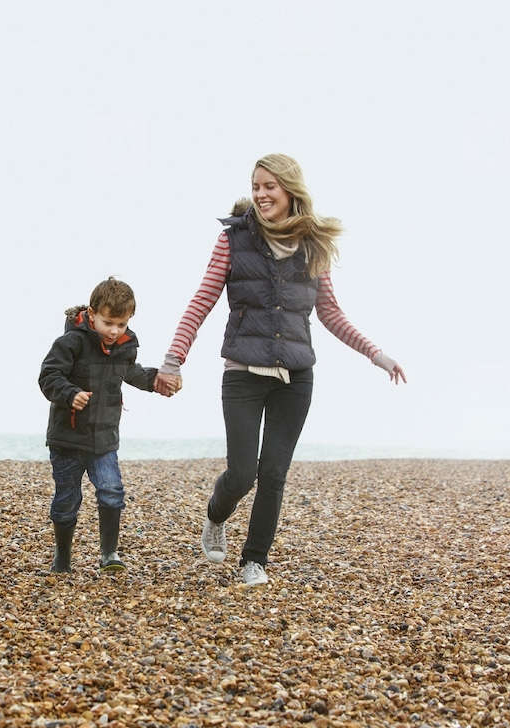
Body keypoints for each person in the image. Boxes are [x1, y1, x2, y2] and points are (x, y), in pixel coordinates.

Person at [154, 153, 406, 586]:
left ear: (290, 189)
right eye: (256, 185)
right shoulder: (233, 239)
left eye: (269, 186)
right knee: (242, 473)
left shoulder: (313, 245)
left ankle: (254, 560)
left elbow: (331, 313)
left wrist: (374, 352)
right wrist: (173, 358)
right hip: (242, 375)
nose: (261, 193)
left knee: (273, 474)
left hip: (296, 378)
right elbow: (202, 301)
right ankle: (216, 514)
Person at [38, 277, 166, 574]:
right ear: (92, 314)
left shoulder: (124, 346)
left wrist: (158, 380)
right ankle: (63, 558)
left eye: (121, 324)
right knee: (67, 500)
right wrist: (70, 394)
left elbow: (131, 373)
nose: (114, 330)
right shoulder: (70, 343)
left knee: (112, 491)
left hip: (104, 441)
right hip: (67, 439)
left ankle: (109, 554)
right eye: (108, 322)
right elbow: (48, 376)